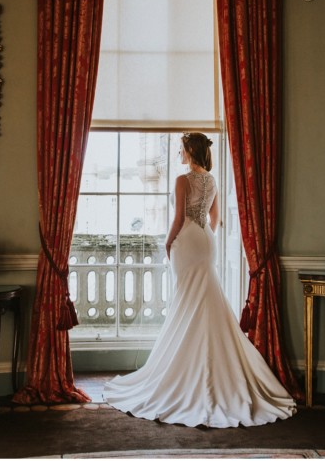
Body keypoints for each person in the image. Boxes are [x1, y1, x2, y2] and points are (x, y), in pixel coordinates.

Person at [102, 132, 296, 428]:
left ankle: (186, 367)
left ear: (190, 151)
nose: (178, 154)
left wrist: (169, 244)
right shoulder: (212, 180)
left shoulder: (183, 180)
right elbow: (215, 218)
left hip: (187, 239)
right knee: (205, 296)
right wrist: (205, 236)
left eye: (181, 149)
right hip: (206, 240)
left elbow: (179, 218)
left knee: (187, 298)